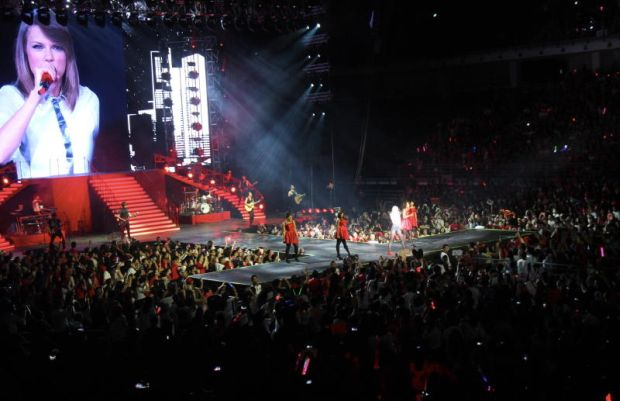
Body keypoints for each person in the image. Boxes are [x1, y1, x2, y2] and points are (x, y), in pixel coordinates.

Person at [0, 11, 99, 179]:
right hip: (39, 193)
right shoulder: (11, 97)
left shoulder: (87, 99)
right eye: (38, 47)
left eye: (57, 47)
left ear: (67, 53)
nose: (49, 57)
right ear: (25, 52)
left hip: (81, 192)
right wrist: (36, 96)